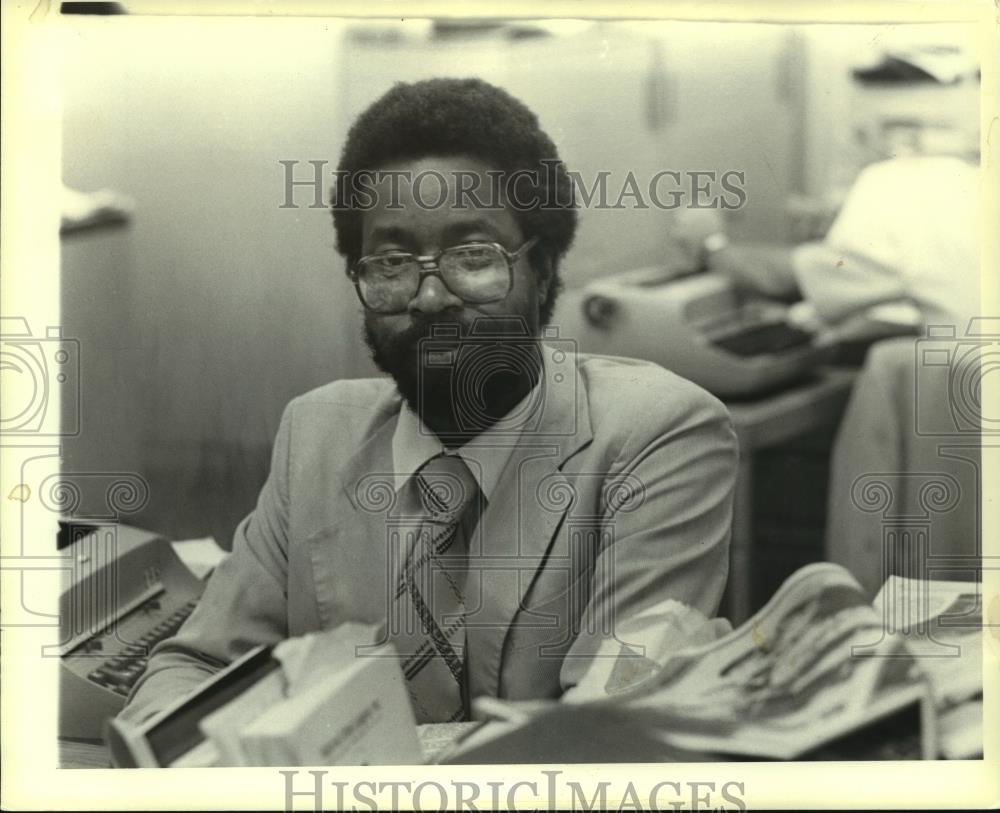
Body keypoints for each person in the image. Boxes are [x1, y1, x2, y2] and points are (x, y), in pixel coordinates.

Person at [119, 77, 738, 728]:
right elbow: (192, 671)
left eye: (474, 257)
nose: (431, 298)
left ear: (546, 270)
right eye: (390, 264)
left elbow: (607, 732)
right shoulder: (316, 434)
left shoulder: (656, 434)